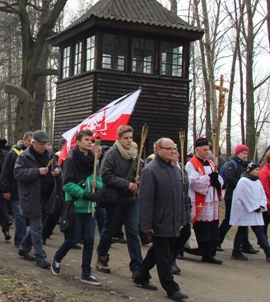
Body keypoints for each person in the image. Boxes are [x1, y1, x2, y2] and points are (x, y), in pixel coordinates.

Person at [135, 138, 188, 301]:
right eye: (169, 148)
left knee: (158, 251)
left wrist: (181, 220)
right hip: (159, 221)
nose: (173, 151)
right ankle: (171, 288)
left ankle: (140, 275)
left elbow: (180, 198)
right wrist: (146, 224)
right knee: (163, 255)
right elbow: (145, 200)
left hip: (173, 220)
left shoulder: (174, 169)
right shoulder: (150, 170)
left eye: (175, 148)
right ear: (158, 150)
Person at [51, 129, 102, 286]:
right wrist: (85, 194)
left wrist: (97, 185)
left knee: (89, 240)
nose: (89, 142)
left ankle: (86, 273)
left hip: (90, 207)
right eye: (86, 139)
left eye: (91, 140)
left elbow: (99, 181)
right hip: (76, 205)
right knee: (74, 238)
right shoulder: (71, 161)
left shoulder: (93, 162)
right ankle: (57, 258)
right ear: (78, 142)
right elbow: (67, 184)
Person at [95, 125, 143, 275]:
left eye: (131, 138)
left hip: (131, 198)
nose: (129, 141)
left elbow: (141, 171)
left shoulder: (135, 154)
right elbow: (106, 176)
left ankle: (137, 266)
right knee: (109, 229)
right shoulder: (111, 154)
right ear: (119, 139)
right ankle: (102, 257)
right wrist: (126, 183)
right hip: (115, 197)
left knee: (133, 231)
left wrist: (139, 179)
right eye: (126, 138)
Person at [14, 130, 59, 269]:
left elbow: (57, 166)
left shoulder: (50, 155)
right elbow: (18, 173)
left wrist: (57, 171)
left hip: (47, 197)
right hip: (32, 197)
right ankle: (40, 256)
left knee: (39, 227)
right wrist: (37, 172)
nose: (43, 147)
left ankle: (24, 247)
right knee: (37, 228)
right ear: (33, 143)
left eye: (45, 144)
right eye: (41, 144)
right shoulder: (23, 157)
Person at [230, 161, 270, 262]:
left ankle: (268, 252)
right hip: (245, 211)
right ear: (250, 170)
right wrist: (255, 207)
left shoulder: (257, 181)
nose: (258, 171)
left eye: (259, 169)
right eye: (256, 169)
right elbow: (246, 196)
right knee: (243, 229)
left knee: (257, 230)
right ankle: (237, 251)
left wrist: (262, 205)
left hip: (256, 210)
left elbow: (262, 195)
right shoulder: (243, 181)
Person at [184, 137, 223, 264]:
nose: (207, 152)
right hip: (200, 199)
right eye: (205, 150)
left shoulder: (211, 163)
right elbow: (192, 181)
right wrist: (209, 179)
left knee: (212, 227)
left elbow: (219, 179)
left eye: (208, 150)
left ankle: (209, 253)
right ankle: (187, 249)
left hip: (211, 199)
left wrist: (217, 181)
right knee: (200, 227)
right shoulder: (191, 164)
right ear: (197, 149)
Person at [217, 144, 257, 254]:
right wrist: (243, 184)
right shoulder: (232, 164)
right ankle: (217, 240)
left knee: (244, 220)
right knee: (229, 219)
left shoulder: (245, 165)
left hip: (242, 197)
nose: (245, 155)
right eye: (243, 153)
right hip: (232, 196)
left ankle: (245, 244)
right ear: (237, 153)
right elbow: (229, 178)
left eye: (246, 153)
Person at [1, 131, 34, 248]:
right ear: (24, 140)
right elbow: (6, 172)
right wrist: (6, 189)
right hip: (16, 189)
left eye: (33, 141)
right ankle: (21, 240)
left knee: (26, 216)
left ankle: (20, 238)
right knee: (20, 216)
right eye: (29, 141)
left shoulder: (35, 154)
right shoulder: (14, 153)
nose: (31, 144)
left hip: (29, 191)